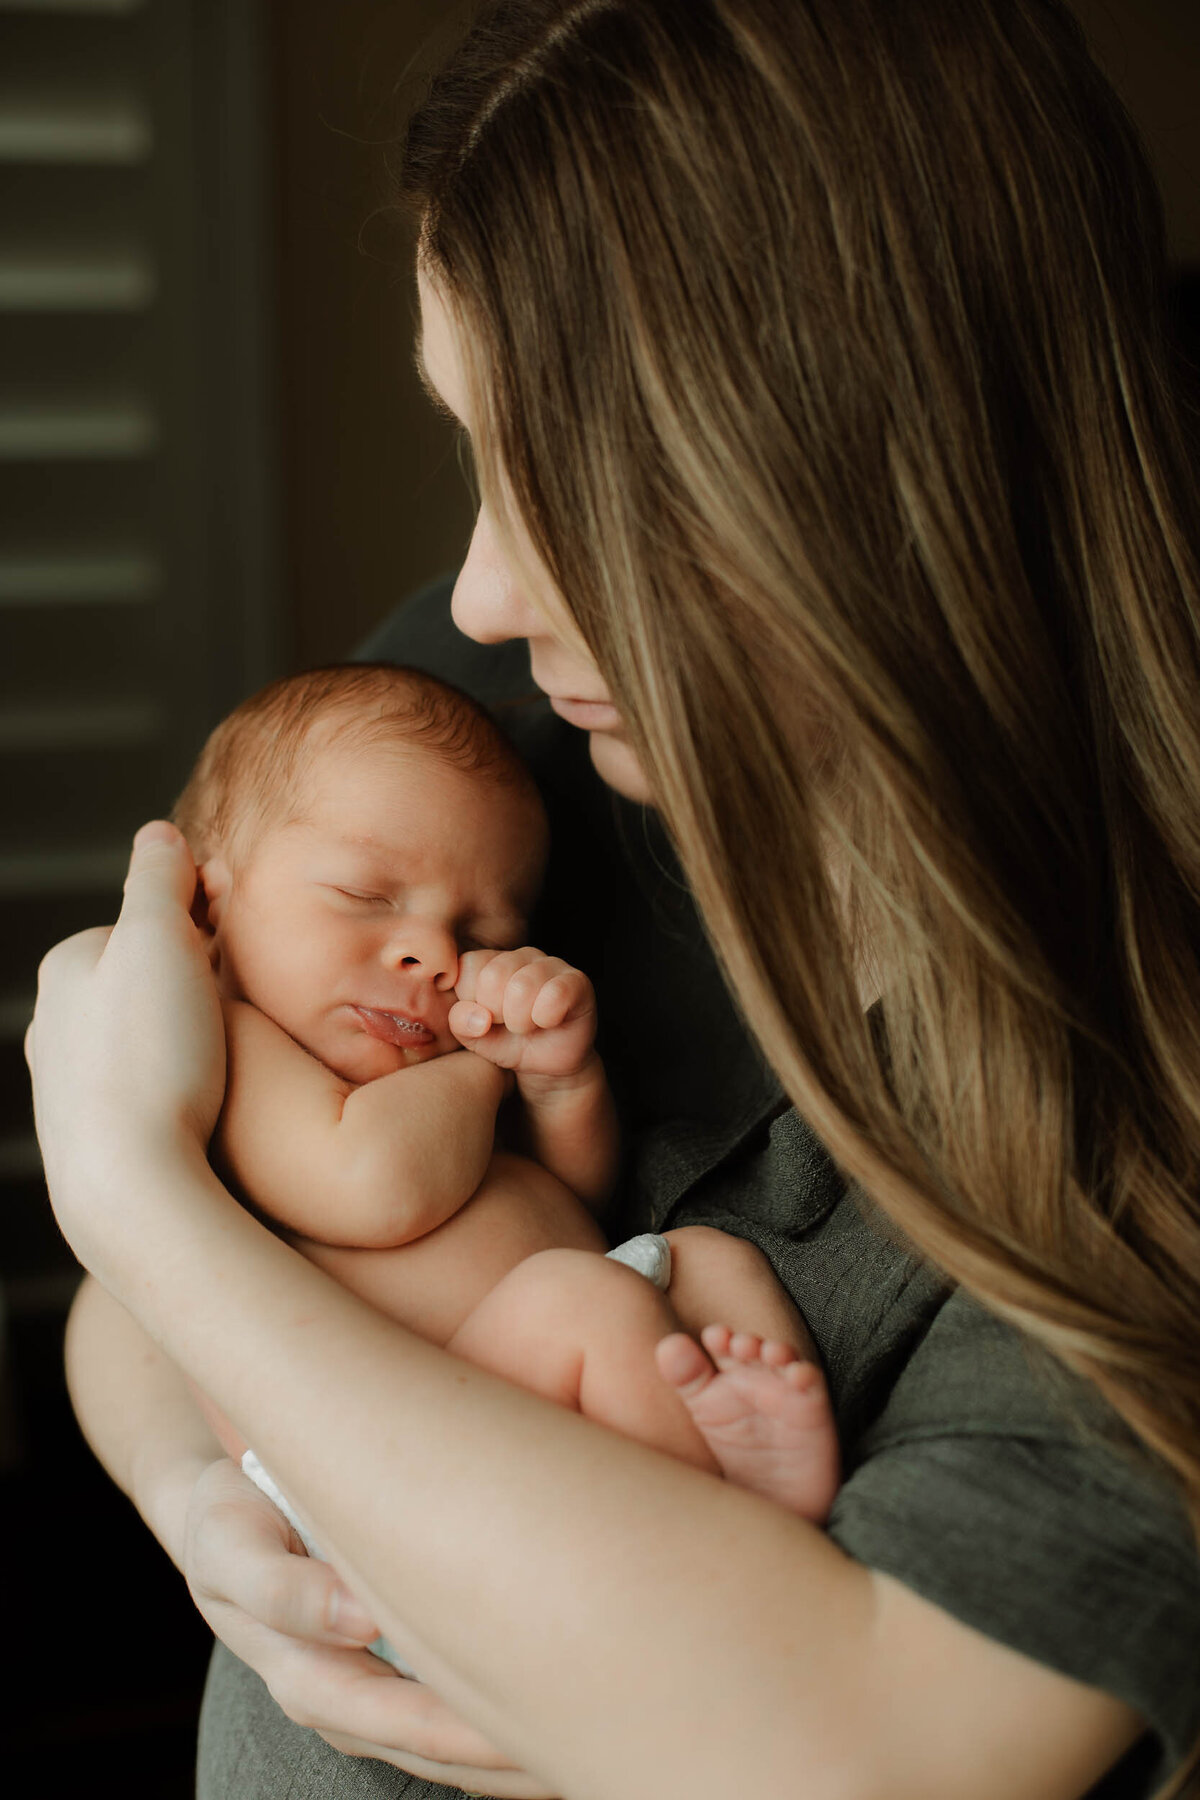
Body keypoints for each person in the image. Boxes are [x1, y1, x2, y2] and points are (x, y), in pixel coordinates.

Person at [27, 2, 1200, 1797]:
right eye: (469, 448)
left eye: (571, 470)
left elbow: (870, 1755)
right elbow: (172, 1309)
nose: (484, 586)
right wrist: (206, 1507)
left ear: (850, 463)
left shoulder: (1143, 1050)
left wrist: (127, 1192)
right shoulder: (479, 749)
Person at [175, 659, 840, 1574]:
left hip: (526, 1379)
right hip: (389, 1451)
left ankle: (753, 1467)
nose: (435, 955)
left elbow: (567, 1197)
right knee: (585, 1300)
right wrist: (491, 1063)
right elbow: (375, 1187)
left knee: (712, 1262)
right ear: (207, 901)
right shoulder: (231, 1046)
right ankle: (714, 1557)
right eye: (368, 898)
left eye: (483, 934)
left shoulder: (426, 1063)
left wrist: (560, 1083)